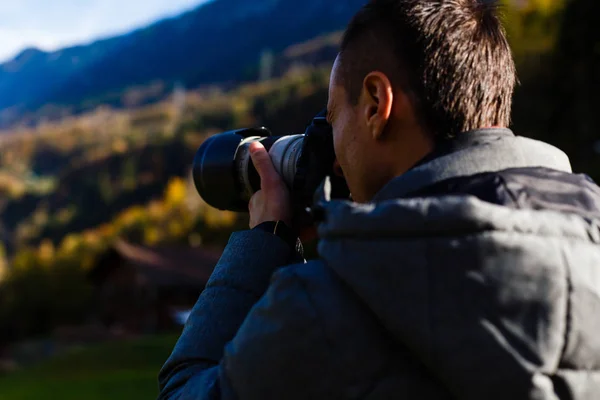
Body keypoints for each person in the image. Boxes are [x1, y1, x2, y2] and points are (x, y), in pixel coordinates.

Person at [159, 0, 600, 399]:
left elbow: (183, 392)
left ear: (375, 104)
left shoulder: (336, 305)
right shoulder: (590, 243)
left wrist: (265, 239)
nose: (333, 155)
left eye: (333, 118)